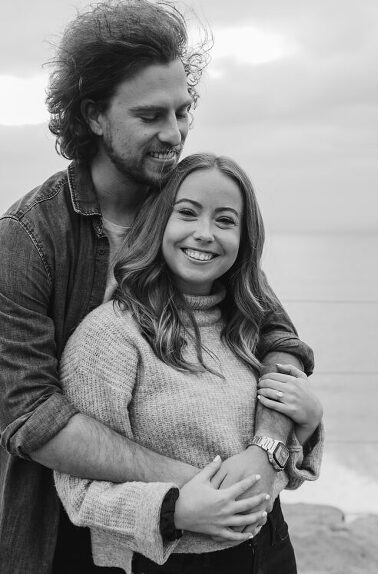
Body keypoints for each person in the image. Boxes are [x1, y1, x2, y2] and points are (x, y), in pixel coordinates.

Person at [0, 2, 312, 572]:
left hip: (230, 531)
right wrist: (194, 487)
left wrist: (266, 449)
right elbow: (29, 417)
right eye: (150, 116)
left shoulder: (188, 209)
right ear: (94, 115)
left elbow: (275, 333)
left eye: (183, 110)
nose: (174, 134)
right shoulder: (26, 239)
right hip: (69, 530)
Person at [54, 153, 323, 573]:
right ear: (159, 220)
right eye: (187, 213)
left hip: (272, 548)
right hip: (170, 561)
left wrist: (305, 425)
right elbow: (79, 492)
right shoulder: (108, 337)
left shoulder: (249, 326)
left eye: (225, 220)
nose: (204, 233)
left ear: (244, 238)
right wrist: (174, 511)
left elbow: (274, 470)